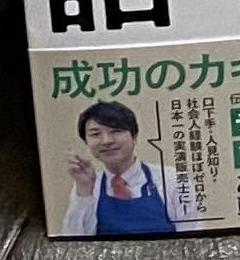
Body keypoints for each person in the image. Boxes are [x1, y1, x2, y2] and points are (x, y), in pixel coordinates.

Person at [55, 98, 202, 236]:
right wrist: (84, 192)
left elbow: (193, 239)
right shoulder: (88, 186)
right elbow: (72, 244)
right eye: (95, 134)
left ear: (134, 136)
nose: (106, 141)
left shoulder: (173, 180)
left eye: (116, 131)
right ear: (86, 142)